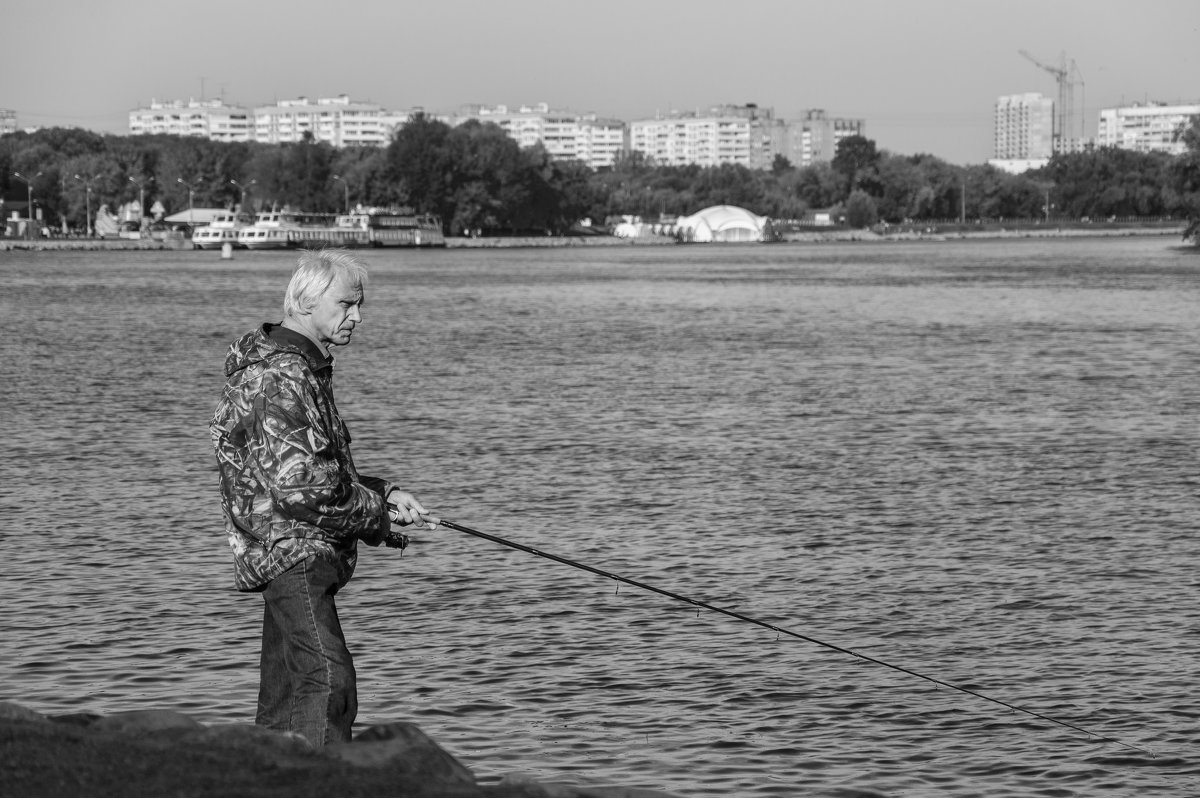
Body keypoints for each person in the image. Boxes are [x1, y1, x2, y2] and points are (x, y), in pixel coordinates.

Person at [209, 248, 432, 747]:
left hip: (291, 551)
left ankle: (267, 783)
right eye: (347, 304)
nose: (358, 316)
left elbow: (315, 469)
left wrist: (386, 495)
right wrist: (376, 513)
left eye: (361, 305)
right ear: (307, 302)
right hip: (292, 553)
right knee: (330, 686)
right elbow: (303, 490)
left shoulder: (298, 368)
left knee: (285, 703)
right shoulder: (280, 376)